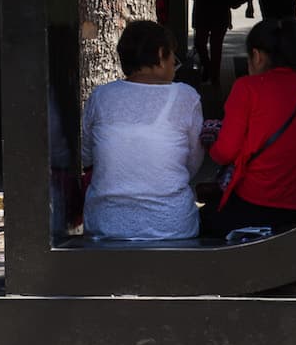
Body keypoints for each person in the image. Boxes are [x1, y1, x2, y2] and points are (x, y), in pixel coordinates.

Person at [200, 19, 296, 238]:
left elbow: (224, 153)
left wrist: (212, 139)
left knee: (195, 224)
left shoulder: (247, 88)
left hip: (253, 205)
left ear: (257, 55)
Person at [82, 20, 204, 240]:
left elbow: (86, 155)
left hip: (106, 224)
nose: (173, 67)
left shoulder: (101, 97)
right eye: (172, 57)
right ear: (160, 55)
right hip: (172, 226)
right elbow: (192, 162)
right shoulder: (186, 97)